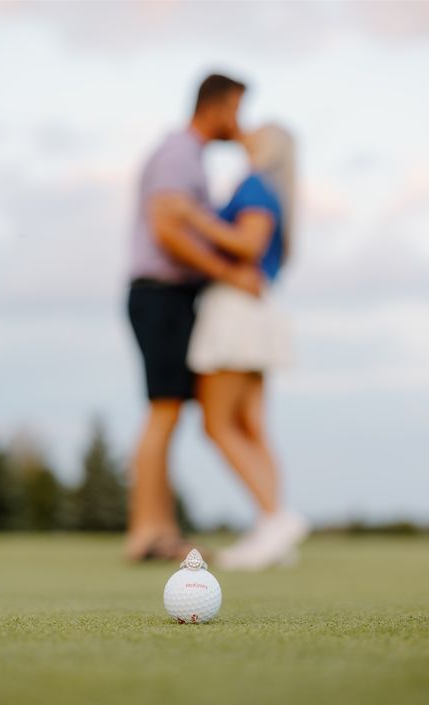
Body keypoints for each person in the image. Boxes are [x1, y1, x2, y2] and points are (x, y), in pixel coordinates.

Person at [126, 74, 261, 561]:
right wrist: (227, 272)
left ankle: (158, 527)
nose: (239, 122)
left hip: (170, 297)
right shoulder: (180, 153)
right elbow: (166, 227)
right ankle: (146, 532)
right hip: (161, 293)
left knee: (168, 409)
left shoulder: (187, 156)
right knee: (163, 410)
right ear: (219, 106)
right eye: (237, 109)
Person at [161, 125, 309, 569]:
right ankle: (273, 530)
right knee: (250, 425)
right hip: (256, 311)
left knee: (218, 424)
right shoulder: (271, 188)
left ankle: (275, 518)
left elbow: (249, 242)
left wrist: (193, 216)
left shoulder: (255, 185)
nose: (247, 129)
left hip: (234, 311)